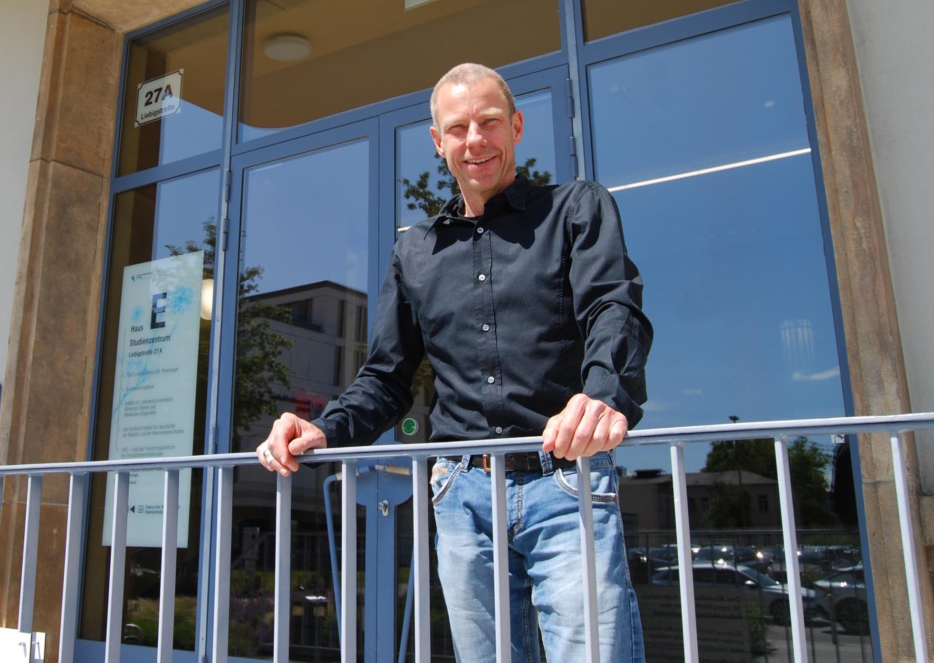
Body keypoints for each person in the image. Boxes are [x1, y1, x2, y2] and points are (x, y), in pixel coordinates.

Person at [257, 62, 652, 662]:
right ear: (438, 142)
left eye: (490, 122)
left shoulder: (576, 210)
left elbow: (613, 309)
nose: (476, 140)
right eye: (458, 127)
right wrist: (323, 427)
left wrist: (602, 395)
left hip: (567, 482)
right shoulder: (414, 251)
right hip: (463, 495)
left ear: (516, 126)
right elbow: (386, 378)